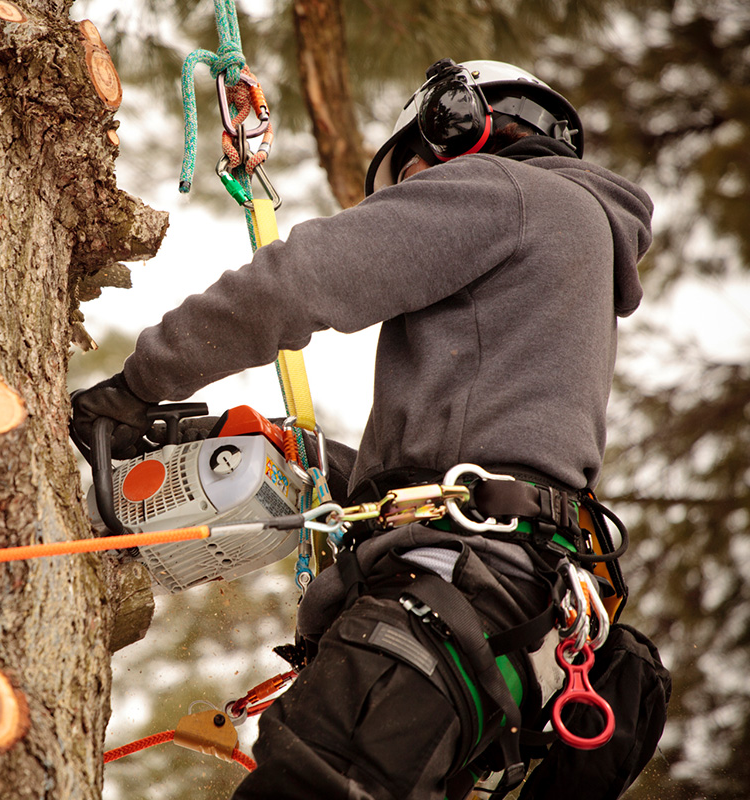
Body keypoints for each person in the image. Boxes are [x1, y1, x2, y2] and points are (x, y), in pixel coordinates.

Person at [72, 59, 667, 799]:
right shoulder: (575, 248)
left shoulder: (505, 190)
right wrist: (310, 458)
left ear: (458, 127)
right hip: (511, 627)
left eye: (411, 176)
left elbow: (299, 281)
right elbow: (483, 468)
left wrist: (136, 387)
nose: (412, 197)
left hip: (443, 604)